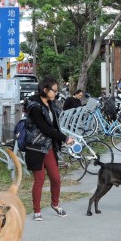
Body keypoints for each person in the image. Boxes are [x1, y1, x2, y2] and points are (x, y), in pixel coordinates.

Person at [25, 77, 74, 221]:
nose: (56, 93)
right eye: (54, 90)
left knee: (56, 178)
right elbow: (46, 129)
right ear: (45, 90)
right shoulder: (34, 107)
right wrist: (64, 138)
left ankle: (55, 204)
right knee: (39, 180)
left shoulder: (51, 104)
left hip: (49, 147)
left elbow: (56, 123)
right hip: (35, 147)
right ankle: (37, 211)